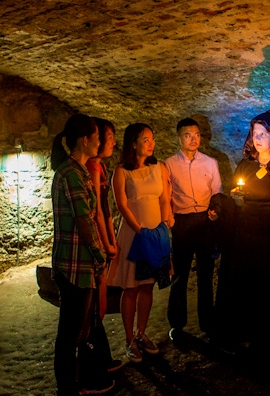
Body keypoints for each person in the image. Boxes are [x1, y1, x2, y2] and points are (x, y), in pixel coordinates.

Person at [213, 111, 270, 369]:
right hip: (245, 238)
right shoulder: (245, 165)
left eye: (263, 134)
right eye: (255, 133)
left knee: (268, 291)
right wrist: (234, 198)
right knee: (245, 288)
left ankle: (268, 342)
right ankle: (242, 335)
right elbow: (237, 198)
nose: (258, 139)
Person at [50, 113, 114, 396]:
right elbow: (85, 221)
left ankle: (73, 384)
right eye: (97, 138)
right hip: (75, 264)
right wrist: (100, 256)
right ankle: (68, 388)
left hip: (74, 262)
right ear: (84, 140)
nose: (100, 143)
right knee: (70, 334)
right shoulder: (73, 174)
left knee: (74, 330)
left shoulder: (74, 170)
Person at [108, 122, 173, 363]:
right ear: (133, 143)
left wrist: (164, 224)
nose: (151, 143)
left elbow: (165, 198)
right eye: (145, 139)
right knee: (131, 287)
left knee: (147, 285)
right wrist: (140, 230)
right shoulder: (122, 171)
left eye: (152, 139)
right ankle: (128, 340)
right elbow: (122, 205)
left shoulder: (160, 168)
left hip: (156, 233)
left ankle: (141, 332)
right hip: (134, 235)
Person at [165, 117, 223, 342]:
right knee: (180, 275)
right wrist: (170, 220)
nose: (193, 139)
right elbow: (166, 195)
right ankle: (177, 324)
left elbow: (217, 190)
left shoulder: (210, 163)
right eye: (188, 135)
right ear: (179, 138)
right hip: (183, 222)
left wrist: (216, 210)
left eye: (197, 135)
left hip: (205, 221)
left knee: (206, 275)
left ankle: (208, 323)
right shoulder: (169, 165)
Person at [85, 117, 123, 374]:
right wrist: (106, 243)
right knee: (96, 302)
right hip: (94, 244)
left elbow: (107, 211)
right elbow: (96, 211)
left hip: (103, 239)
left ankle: (102, 357)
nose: (112, 142)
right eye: (107, 137)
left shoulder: (101, 167)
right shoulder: (90, 168)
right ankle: (94, 362)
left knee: (100, 300)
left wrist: (113, 239)